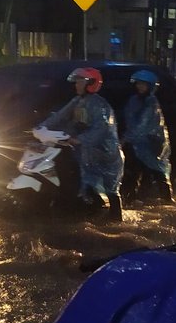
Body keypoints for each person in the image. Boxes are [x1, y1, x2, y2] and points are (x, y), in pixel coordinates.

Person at [36, 67, 125, 220]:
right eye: (76, 82)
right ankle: (92, 217)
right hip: (86, 153)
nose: (76, 85)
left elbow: (102, 128)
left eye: (80, 82)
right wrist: (42, 127)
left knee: (111, 191)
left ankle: (116, 223)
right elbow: (60, 116)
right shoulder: (77, 101)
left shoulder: (100, 105)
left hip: (105, 155)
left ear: (91, 83)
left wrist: (79, 139)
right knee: (86, 186)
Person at [120, 69, 174, 204]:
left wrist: (125, 139)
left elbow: (142, 124)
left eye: (143, 84)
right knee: (132, 173)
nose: (139, 86)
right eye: (138, 84)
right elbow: (128, 120)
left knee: (158, 172)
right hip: (136, 144)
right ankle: (130, 200)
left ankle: (166, 199)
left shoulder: (151, 103)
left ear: (150, 86)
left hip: (152, 145)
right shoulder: (133, 100)